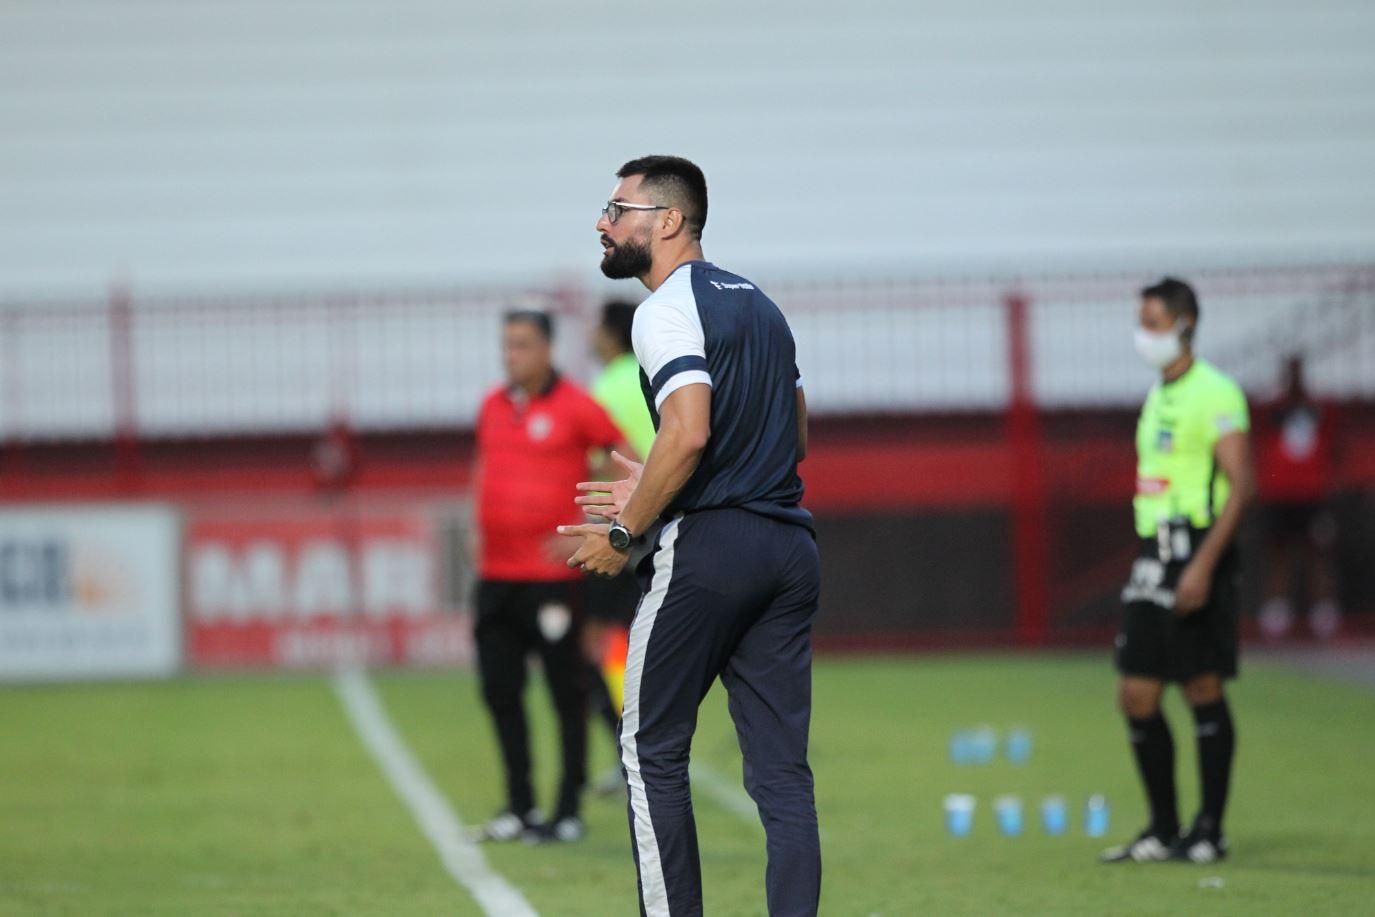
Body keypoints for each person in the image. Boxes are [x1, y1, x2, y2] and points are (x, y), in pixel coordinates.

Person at [559, 155, 821, 917]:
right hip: (789, 548)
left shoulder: (664, 307)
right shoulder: (761, 304)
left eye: (617, 209)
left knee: (648, 750)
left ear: (668, 221)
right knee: (781, 772)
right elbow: (793, 435)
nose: (603, 225)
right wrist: (656, 475)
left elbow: (691, 430)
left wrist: (624, 524)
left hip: (712, 550)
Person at [1102, 278, 1256, 866]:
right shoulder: (1157, 394)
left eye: (1155, 323)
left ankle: (1209, 830)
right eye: (1142, 322)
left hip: (1198, 549)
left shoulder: (1215, 393)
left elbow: (1242, 486)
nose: (1145, 335)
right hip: (1154, 552)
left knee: (1201, 685)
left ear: (1186, 324)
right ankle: (1162, 829)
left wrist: (1203, 567)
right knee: (1136, 690)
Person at [471, 309, 629, 844]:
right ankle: (520, 806)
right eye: (506, 344)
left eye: (520, 345)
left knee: (567, 692)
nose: (510, 355)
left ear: (546, 350)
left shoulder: (577, 406)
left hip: (552, 579)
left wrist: (595, 526)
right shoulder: (492, 407)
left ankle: (567, 809)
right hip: (496, 576)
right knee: (499, 690)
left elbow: (624, 459)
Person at [584, 300, 657, 792]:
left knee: (599, 639)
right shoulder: (655, 377)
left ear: (611, 335)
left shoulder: (605, 389)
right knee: (641, 632)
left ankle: (628, 736)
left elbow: (597, 462)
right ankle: (643, 738)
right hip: (669, 515)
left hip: (623, 523)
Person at [1257, 355, 1342, 640]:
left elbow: (1333, 443)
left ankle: (1323, 612)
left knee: (1317, 553)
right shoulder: (1273, 408)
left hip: (1312, 495)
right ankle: (1277, 611)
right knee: (1278, 553)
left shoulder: (1318, 407)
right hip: (1280, 495)